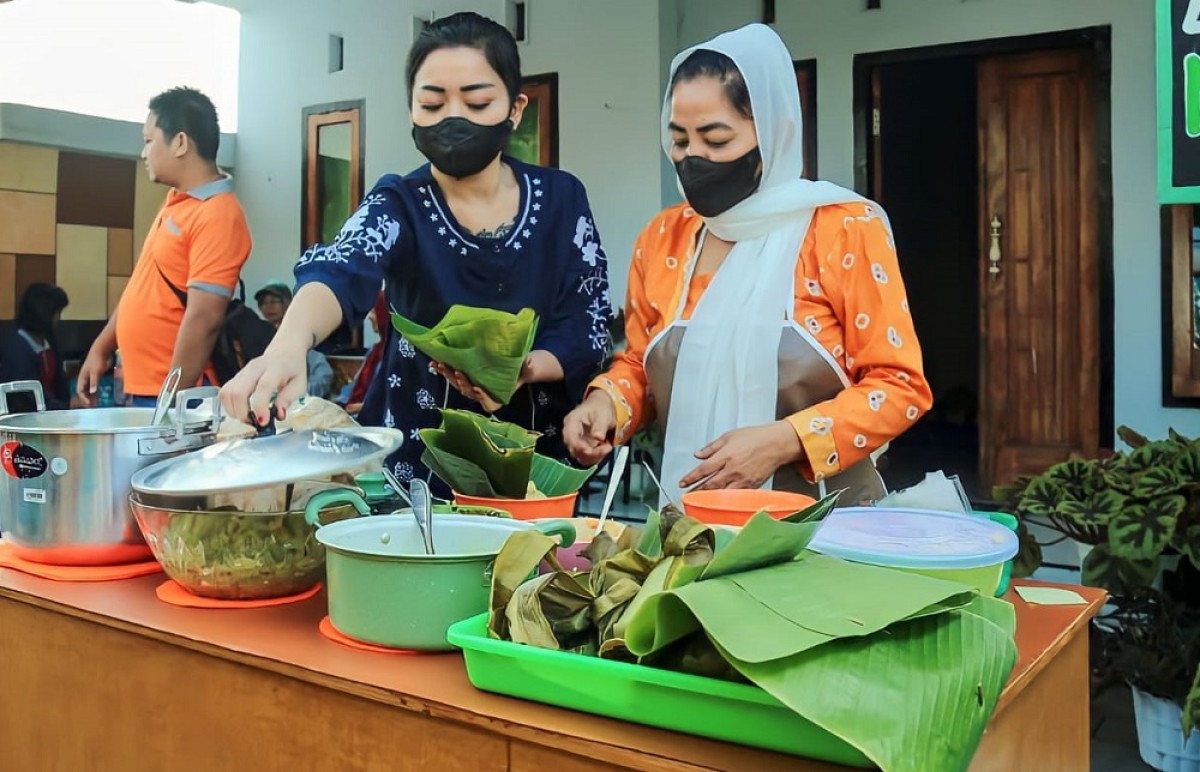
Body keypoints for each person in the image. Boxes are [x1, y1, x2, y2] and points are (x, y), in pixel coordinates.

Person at [220, 12, 611, 493]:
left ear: (515, 108)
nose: (452, 118)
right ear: (411, 110)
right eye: (431, 103)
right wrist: (287, 345)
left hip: (536, 461)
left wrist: (518, 371)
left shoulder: (561, 199)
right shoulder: (400, 203)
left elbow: (587, 321)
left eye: (477, 101)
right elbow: (344, 268)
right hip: (417, 467)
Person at [563, 24, 932, 506]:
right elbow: (640, 364)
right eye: (678, 139)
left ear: (773, 132)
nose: (693, 157)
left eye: (716, 139)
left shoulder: (841, 229)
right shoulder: (664, 238)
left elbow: (899, 386)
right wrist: (606, 403)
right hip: (693, 521)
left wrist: (784, 440)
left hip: (823, 524)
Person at [77, 86, 252, 407]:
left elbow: (204, 317)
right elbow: (144, 286)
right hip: (144, 388)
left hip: (176, 398)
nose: (143, 153)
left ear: (181, 142)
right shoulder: (176, 202)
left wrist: (172, 404)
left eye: (148, 141)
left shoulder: (218, 213)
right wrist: (101, 346)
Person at [254, 281, 334, 399]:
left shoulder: (301, 331)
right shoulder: (259, 336)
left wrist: (298, 395)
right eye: (263, 303)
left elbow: (323, 375)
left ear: (289, 302)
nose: (268, 306)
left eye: (274, 301)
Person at [0, 283, 70, 412]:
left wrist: (68, 404)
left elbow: (60, 382)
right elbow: (27, 396)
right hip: (27, 418)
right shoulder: (17, 347)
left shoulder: (49, 341)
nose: (58, 318)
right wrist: (64, 407)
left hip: (52, 414)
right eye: (57, 313)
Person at [336, 291, 390, 415]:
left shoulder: (395, 355)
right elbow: (354, 386)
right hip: (355, 414)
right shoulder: (374, 350)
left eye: (374, 311)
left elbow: (395, 397)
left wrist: (366, 406)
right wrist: (339, 403)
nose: (370, 317)